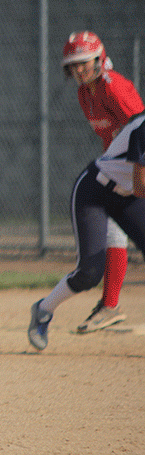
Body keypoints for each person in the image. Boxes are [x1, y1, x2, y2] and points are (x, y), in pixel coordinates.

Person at [28, 111, 145, 350]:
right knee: (90, 272)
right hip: (95, 191)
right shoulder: (143, 128)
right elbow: (140, 185)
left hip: (127, 197)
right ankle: (43, 310)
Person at [61, 31, 145, 333]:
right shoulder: (85, 93)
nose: (80, 69)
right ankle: (110, 306)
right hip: (120, 171)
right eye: (74, 65)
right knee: (113, 236)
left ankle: (110, 305)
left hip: (137, 170)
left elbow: (141, 131)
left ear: (99, 58)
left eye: (85, 62)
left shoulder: (114, 88)